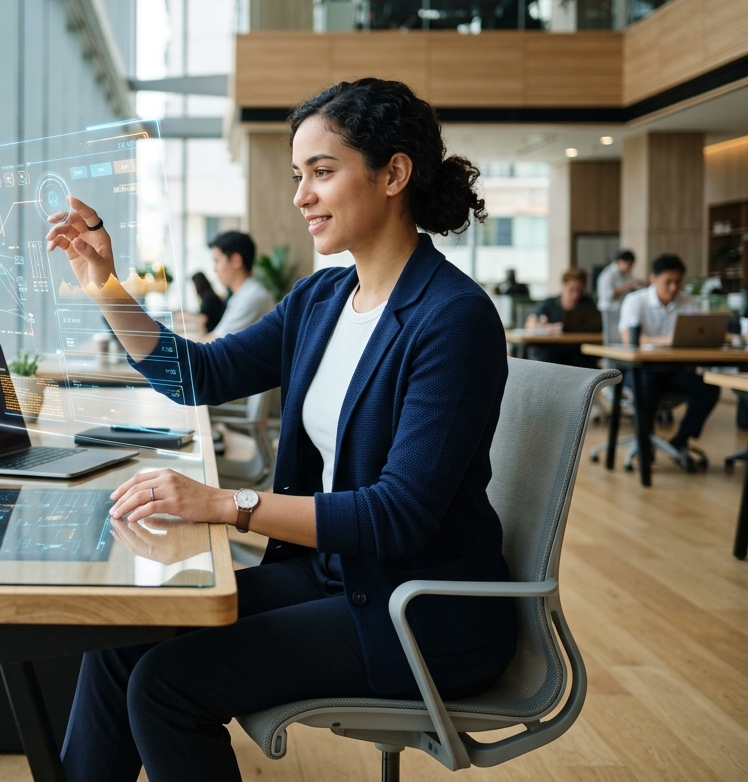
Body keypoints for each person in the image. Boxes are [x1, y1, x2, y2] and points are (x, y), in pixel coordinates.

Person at [46, 77, 517, 781]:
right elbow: (196, 375)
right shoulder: (323, 298)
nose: (301, 196)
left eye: (322, 173)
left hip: (417, 610)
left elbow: (398, 517)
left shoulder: (452, 318)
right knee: (123, 638)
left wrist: (224, 505)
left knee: (167, 685)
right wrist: (104, 285)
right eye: (300, 175)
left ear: (394, 173)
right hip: (334, 578)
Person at [619, 253, 720, 469]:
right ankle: (645, 444)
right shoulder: (636, 301)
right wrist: (667, 341)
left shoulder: (688, 302)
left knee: (709, 388)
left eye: (678, 282)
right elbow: (629, 338)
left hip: (675, 370)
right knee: (646, 388)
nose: (674, 287)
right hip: (641, 370)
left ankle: (681, 439)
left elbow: (699, 335)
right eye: (668, 282)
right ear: (653, 279)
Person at [525, 267, 598, 366]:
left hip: (577, 351)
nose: (575, 295)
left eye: (579, 291)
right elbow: (530, 324)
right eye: (571, 290)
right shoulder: (549, 304)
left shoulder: (588, 304)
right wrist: (550, 328)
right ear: (563, 286)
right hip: (551, 350)